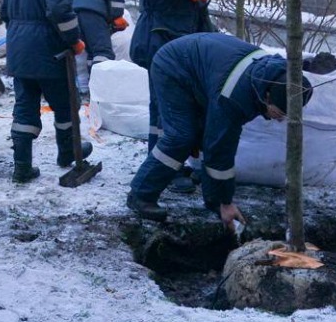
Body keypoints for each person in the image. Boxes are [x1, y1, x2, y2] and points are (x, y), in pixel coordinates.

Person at [126, 33, 314, 227]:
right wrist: (224, 202)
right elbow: (219, 149)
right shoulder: (236, 97)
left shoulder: (274, 77)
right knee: (181, 136)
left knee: (199, 133)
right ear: (267, 96)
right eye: (279, 112)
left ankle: (205, 192)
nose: (280, 119)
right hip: (173, 66)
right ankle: (141, 194)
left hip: (199, 66)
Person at [0, 0, 92, 182]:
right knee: (65, 104)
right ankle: (68, 153)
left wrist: (19, 35)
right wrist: (73, 40)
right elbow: (60, 10)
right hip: (49, 49)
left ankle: (22, 166)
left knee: (25, 106)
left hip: (18, 47)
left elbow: (4, 10)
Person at [130, 0, 216, 164]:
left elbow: (191, 7)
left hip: (175, 41)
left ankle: (167, 165)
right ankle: (161, 168)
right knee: (164, 107)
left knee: (172, 106)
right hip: (160, 39)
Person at [71, 0, 128, 93]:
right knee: (104, 52)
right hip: (93, 13)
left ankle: (88, 88)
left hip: (75, 14)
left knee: (93, 52)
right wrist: (117, 16)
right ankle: (101, 91)